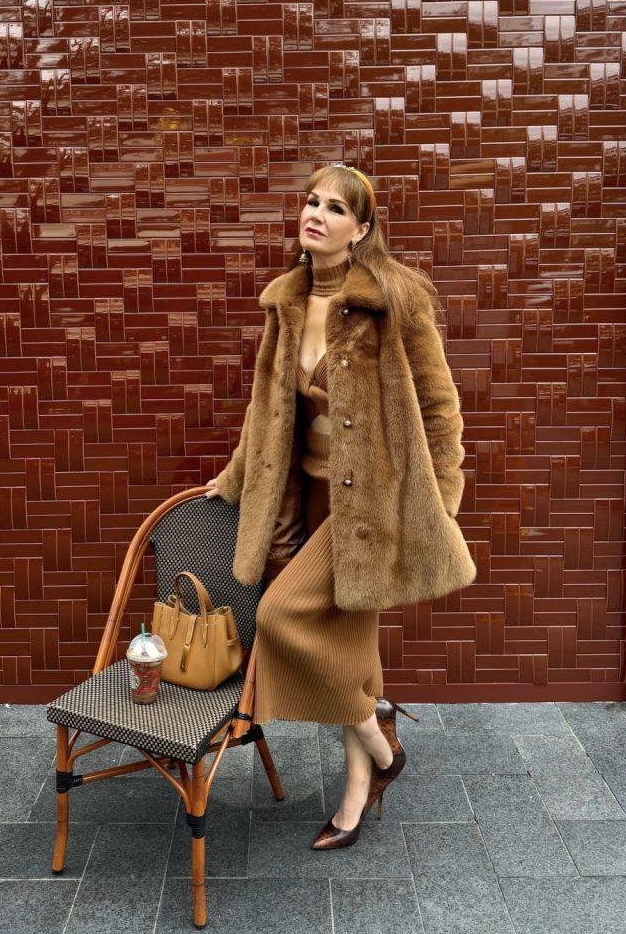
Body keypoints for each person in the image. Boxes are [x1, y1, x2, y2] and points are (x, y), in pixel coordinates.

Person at [205, 164, 476, 849]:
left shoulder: (393, 300)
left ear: (361, 230)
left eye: (335, 208)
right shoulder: (286, 304)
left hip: (372, 504)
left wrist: (439, 501)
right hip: (309, 495)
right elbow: (266, 411)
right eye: (311, 201)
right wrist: (234, 478)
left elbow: (440, 409)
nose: (316, 214)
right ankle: (365, 779)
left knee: (278, 614)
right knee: (352, 651)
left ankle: (380, 746)